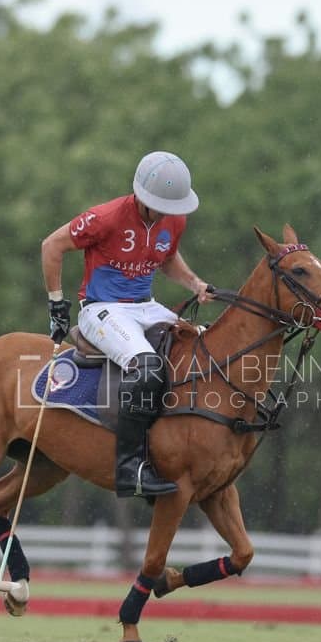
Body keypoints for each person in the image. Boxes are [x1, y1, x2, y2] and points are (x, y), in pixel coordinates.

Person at [41, 151, 213, 498]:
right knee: (147, 367)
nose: (167, 213)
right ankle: (130, 469)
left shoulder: (174, 220)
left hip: (146, 307)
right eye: (160, 205)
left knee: (204, 346)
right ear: (141, 196)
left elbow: (165, 259)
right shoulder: (105, 217)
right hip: (102, 309)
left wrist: (194, 283)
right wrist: (57, 301)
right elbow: (52, 245)